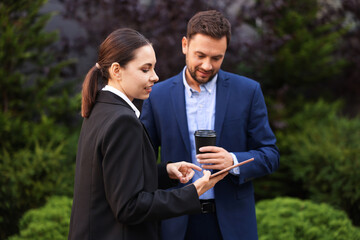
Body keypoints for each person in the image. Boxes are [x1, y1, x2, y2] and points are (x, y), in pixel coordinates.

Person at [68, 28, 227, 240]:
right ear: (116, 70)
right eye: (145, 69)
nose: (155, 76)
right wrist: (192, 192)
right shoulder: (122, 121)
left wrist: (166, 171)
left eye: (153, 68)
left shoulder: (100, 108)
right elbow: (129, 207)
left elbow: (115, 178)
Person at [140, 10, 280, 240]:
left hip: (232, 227)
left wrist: (233, 161)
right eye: (200, 55)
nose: (207, 65)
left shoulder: (248, 91)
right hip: (175, 224)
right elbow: (143, 164)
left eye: (217, 58)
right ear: (184, 45)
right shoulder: (157, 96)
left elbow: (271, 155)